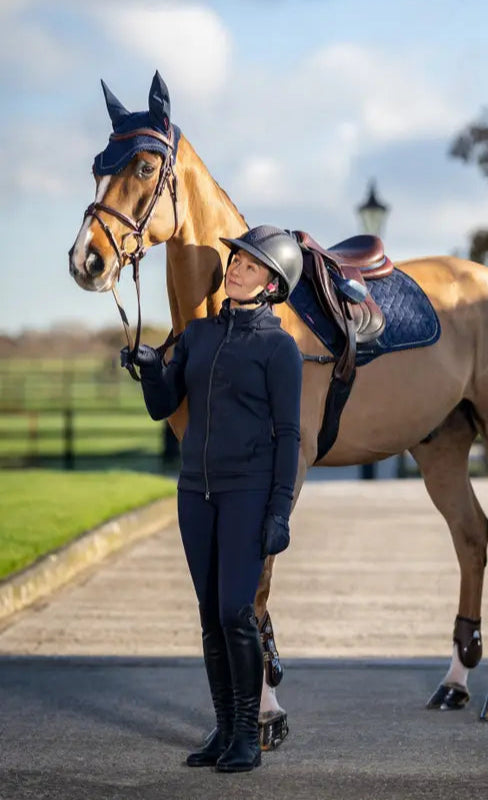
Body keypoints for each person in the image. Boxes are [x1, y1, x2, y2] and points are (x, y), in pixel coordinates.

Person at [120, 225, 304, 773]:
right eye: (237, 260)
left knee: (234, 612)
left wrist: (278, 513)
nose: (237, 268)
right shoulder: (197, 335)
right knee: (208, 615)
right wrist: (153, 370)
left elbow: (289, 435)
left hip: (248, 494)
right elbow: (163, 406)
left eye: (250, 264)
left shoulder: (280, 349)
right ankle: (224, 731)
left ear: (272, 284)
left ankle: (248, 733)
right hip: (193, 494)